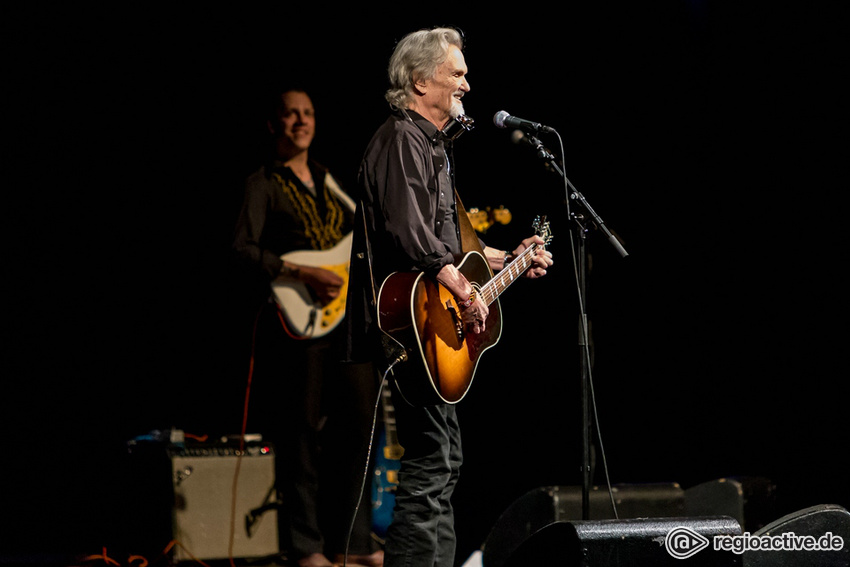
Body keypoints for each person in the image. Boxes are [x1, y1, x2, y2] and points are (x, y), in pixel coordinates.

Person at [345, 28, 554, 567]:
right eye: (456, 72)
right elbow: (408, 232)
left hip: (431, 323)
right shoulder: (401, 139)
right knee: (431, 465)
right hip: (409, 324)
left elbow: (461, 245)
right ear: (420, 80)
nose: (467, 81)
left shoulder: (434, 148)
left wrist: (513, 258)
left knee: (443, 462)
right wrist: (462, 287)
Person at [231, 86, 384, 567]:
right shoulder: (263, 183)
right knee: (301, 433)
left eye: (309, 113)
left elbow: (358, 241)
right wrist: (301, 272)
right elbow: (242, 248)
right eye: (291, 114)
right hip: (297, 321)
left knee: (359, 424)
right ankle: (306, 547)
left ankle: (352, 544)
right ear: (274, 124)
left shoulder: (330, 180)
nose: (302, 120)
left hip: (345, 322)